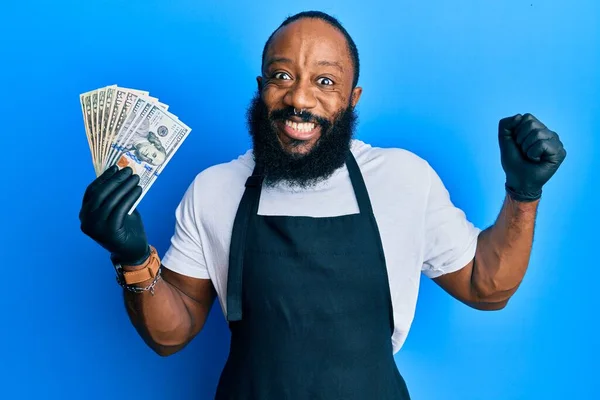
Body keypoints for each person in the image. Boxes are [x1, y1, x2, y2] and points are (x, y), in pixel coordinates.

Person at [78, 11, 566, 400]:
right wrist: (133, 258)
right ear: (261, 88)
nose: (300, 99)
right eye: (282, 75)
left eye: (325, 82)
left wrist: (523, 195)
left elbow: (486, 286)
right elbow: (172, 334)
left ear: (353, 99)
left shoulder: (402, 178)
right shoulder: (215, 189)